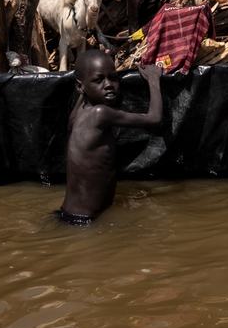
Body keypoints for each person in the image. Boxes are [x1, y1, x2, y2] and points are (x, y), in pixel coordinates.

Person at [58, 50, 163, 225]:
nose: (109, 85)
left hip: (69, 213)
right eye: (99, 80)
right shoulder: (101, 113)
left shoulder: (77, 115)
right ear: (79, 86)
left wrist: (85, 89)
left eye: (113, 77)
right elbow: (154, 119)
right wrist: (153, 79)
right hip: (86, 221)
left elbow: (81, 98)